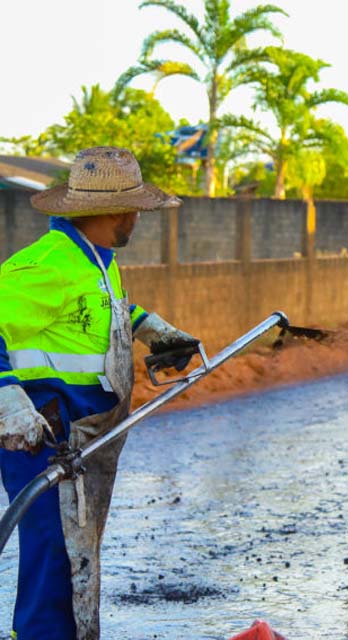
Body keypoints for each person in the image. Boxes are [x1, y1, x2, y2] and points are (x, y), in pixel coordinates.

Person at [0, 147, 198, 639]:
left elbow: (101, 311)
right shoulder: (46, 266)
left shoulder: (95, 261)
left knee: (76, 561)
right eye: (131, 208)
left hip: (85, 440)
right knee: (55, 564)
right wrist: (7, 398)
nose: (136, 217)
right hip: (46, 440)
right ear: (105, 211)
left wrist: (149, 327)